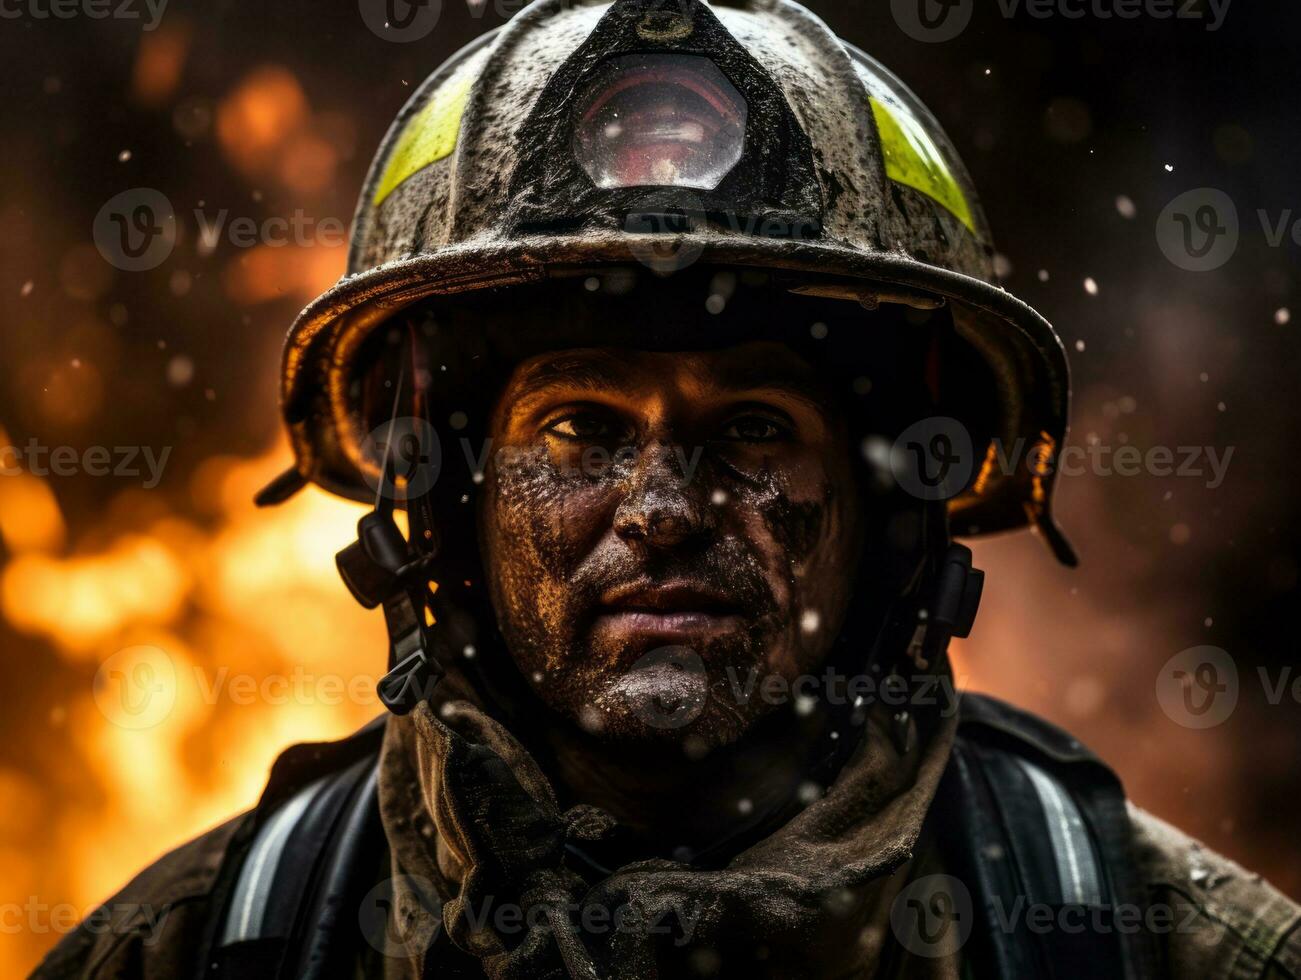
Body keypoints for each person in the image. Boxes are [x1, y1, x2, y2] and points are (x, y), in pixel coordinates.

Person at [35, 0, 1300, 977]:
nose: (661, 506)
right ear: (446, 509)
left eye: (753, 426)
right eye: (578, 428)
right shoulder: (220, 944)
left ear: (890, 517)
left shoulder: (1137, 939)